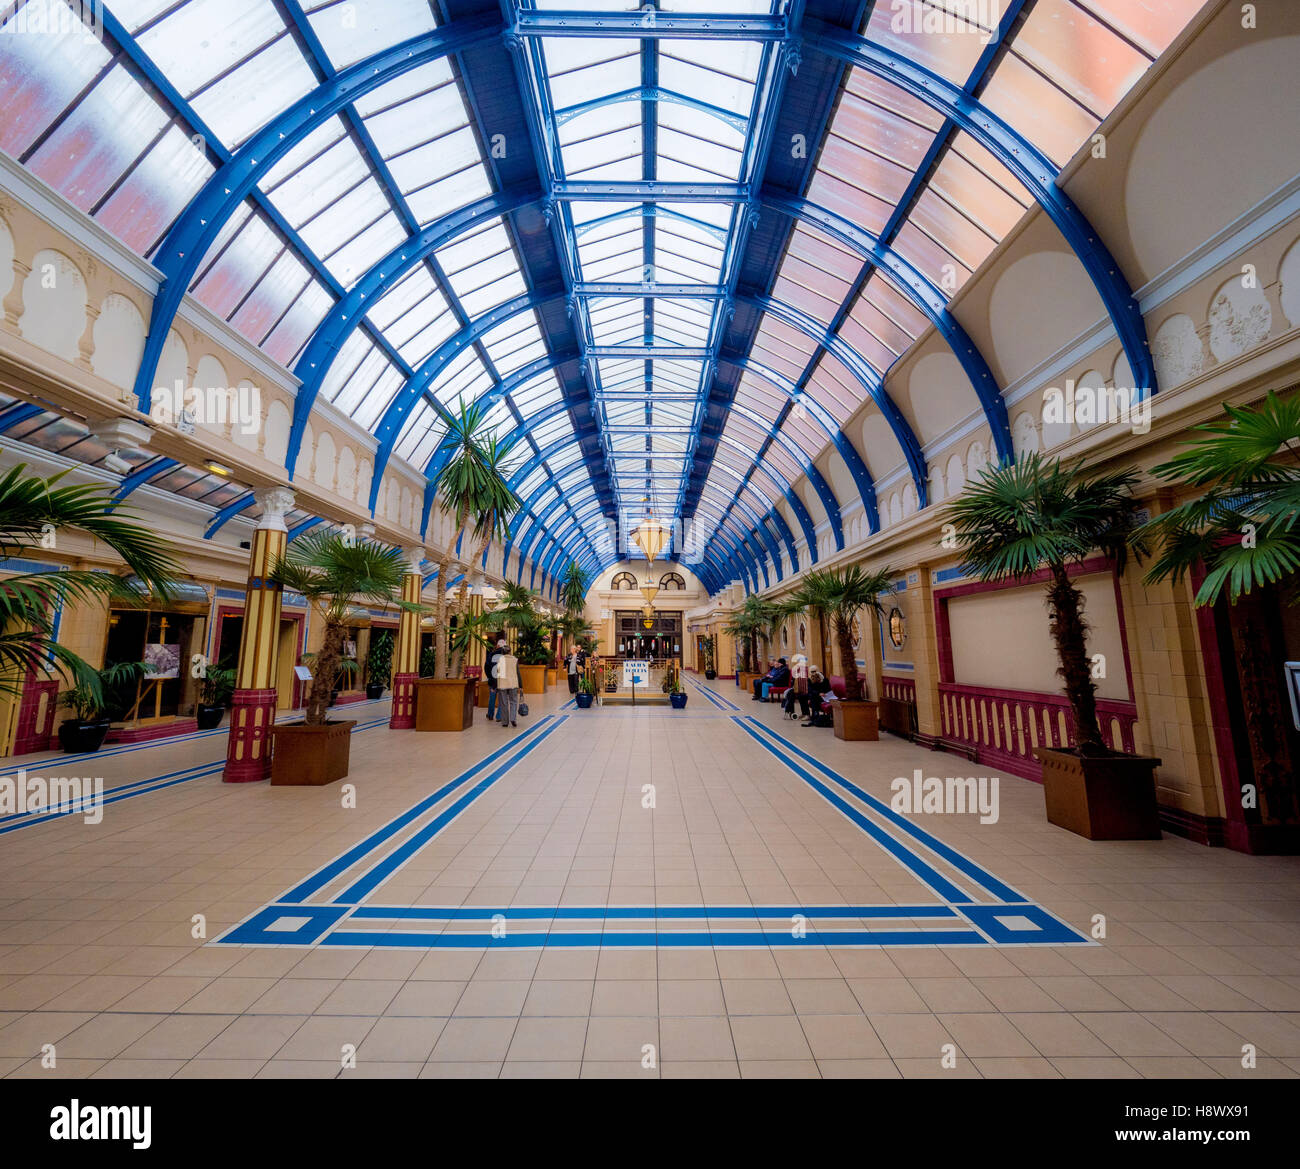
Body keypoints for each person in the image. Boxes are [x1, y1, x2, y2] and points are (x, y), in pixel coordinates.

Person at [492, 644, 521, 728]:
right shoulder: (515, 660)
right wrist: (521, 685)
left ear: (502, 652)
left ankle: (505, 722)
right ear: (510, 651)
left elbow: (497, 673)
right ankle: (513, 718)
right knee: (513, 702)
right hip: (513, 683)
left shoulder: (500, 660)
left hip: (503, 684)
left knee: (503, 703)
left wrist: (494, 686)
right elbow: (518, 673)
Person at [485, 637, 506, 722]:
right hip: (502, 681)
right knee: (501, 699)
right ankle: (499, 716)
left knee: (492, 698)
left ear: (497, 646)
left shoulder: (491, 654)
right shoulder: (505, 656)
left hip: (493, 680)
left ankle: (490, 715)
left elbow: (486, 667)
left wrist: (489, 677)